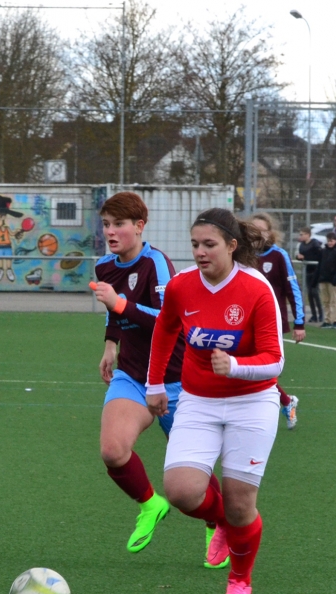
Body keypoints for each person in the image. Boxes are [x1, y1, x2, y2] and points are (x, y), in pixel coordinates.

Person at [146, 208, 283, 594]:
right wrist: (155, 383)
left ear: (232, 246)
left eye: (209, 244)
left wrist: (236, 366)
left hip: (252, 403)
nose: (200, 252)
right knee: (181, 491)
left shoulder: (256, 288)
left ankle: (240, 581)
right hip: (198, 401)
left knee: (241, 504)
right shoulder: (181, 285)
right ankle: (222, 521)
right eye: (195, 245)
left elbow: (275, 360)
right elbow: (165, 328)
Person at [92, 191, 227, 567]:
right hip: (132, 375)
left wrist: (120, 303)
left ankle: (218, 523)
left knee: (193, 475)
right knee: (112, 450)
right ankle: (151, 505)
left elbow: (169, 321)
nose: (110, 232)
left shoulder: (157, 263)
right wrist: (110, 345)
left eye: (119, 224)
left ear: (140, 226)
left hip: (176, 380)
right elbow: (115, 315)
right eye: (106, 224)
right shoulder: (104, 266)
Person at [249, 212, 304, 430]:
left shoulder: (278, 255)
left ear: (270, 233)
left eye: (262, 230)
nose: (258, 234)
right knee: (246, 367)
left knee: (264, 367)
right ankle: (286, 402)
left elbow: (293, 289)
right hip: (244, 321)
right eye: (253, 230)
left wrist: (299, 323)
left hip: (272, 321)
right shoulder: (241, 254)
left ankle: (286, 402)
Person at [317, 232, 336, 328]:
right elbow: (320, 265)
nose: (330, 243)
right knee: (325, 301)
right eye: (328, 241)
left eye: (331, 241)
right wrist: (318, 278)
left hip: (333, 280)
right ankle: (327, 320)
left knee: (334, 300)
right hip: (323, 279)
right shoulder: (324, 251)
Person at [296, 227, 323, 323]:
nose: (300, 236)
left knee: (315, 292)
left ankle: (321, 314)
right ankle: (314, 315)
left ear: (308, 235)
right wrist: (298, 257)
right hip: (308, 270)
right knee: (310, 294)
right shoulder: (302, 245)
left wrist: (306, 257)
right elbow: (301, 255)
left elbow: (319, 256)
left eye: (302, 234)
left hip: (315, 270)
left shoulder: (314, 243)